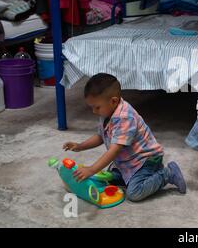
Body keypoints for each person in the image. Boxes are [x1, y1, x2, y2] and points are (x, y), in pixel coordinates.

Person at [63, 73, 186, 202]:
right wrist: (80, 146)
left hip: (146, 161)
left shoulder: (124, 117)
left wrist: (92, 169)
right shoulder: (107, 111)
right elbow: (100, 136)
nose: (94, 111)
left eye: (97, 107)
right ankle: (126, 175)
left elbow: (114, 150)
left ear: (114, 101)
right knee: (108, 177)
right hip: (128, 161)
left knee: (134, 193)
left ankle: (167, 174)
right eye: (92, 107)